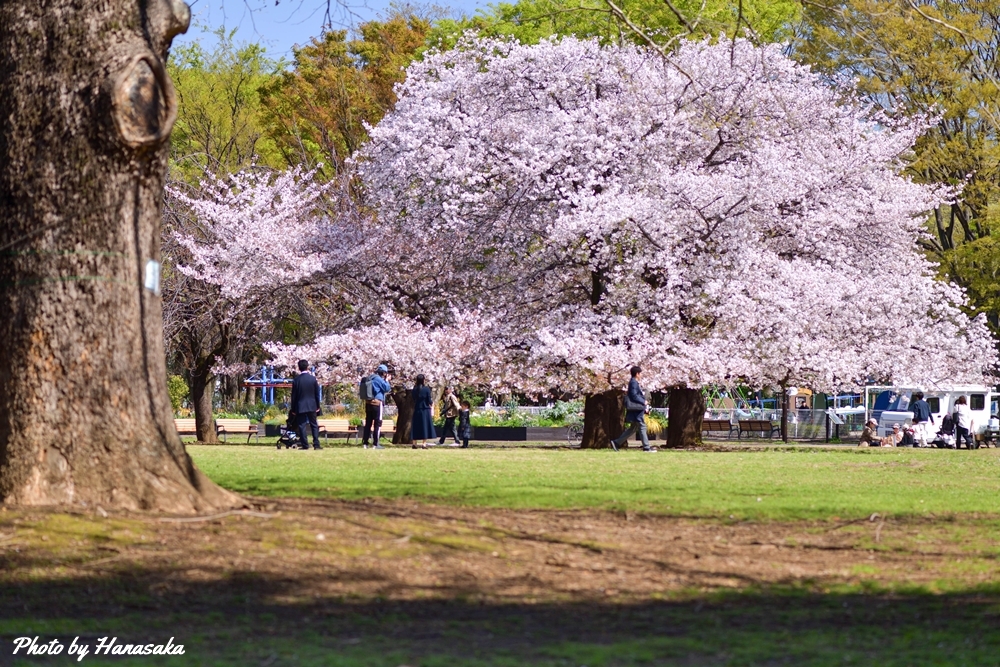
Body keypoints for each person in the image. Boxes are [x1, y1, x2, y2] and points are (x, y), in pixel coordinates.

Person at [610, 366, 656, 452]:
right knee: (642, 426)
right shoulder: (633, 383)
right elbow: (634, 395)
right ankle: (646, 447)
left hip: (636, 408)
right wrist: (643, 401)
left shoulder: (633, 382)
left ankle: (616, 442)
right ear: (637, 374)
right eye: (640, 373)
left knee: (633, 428)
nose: (641, 375)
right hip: (636, 409)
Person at [289, 359, 322, 450]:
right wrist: (318, 406)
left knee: (302, 425)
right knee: (314, 425)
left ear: (299, 368)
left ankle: (305, 445)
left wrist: (293, 409)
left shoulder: (296, 380)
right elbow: (317, 394)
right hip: (312, 405)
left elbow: (294, 396)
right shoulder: (313, 379)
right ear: (307, 367)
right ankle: (316, 444)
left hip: (300, 406)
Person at [361, 364, 392, 449]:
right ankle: (375, 443)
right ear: (384, 373)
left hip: (368, 402)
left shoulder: (370, 377)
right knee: (377, 424)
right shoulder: (379, 380)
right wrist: (387, 380)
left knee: (368, 423)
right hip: (377, 403)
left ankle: (365, 443)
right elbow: (387, 389)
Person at [410, 374, 434, 449]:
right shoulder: (426, 389)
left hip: (417, 409)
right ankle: (424, 444)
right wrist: (432, 404)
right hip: (425, 409)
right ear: (424, 380)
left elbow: (413, 399)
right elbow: (429, 400)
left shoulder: (414, 389)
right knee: (425, 426)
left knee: (416, 426)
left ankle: (414, 443)